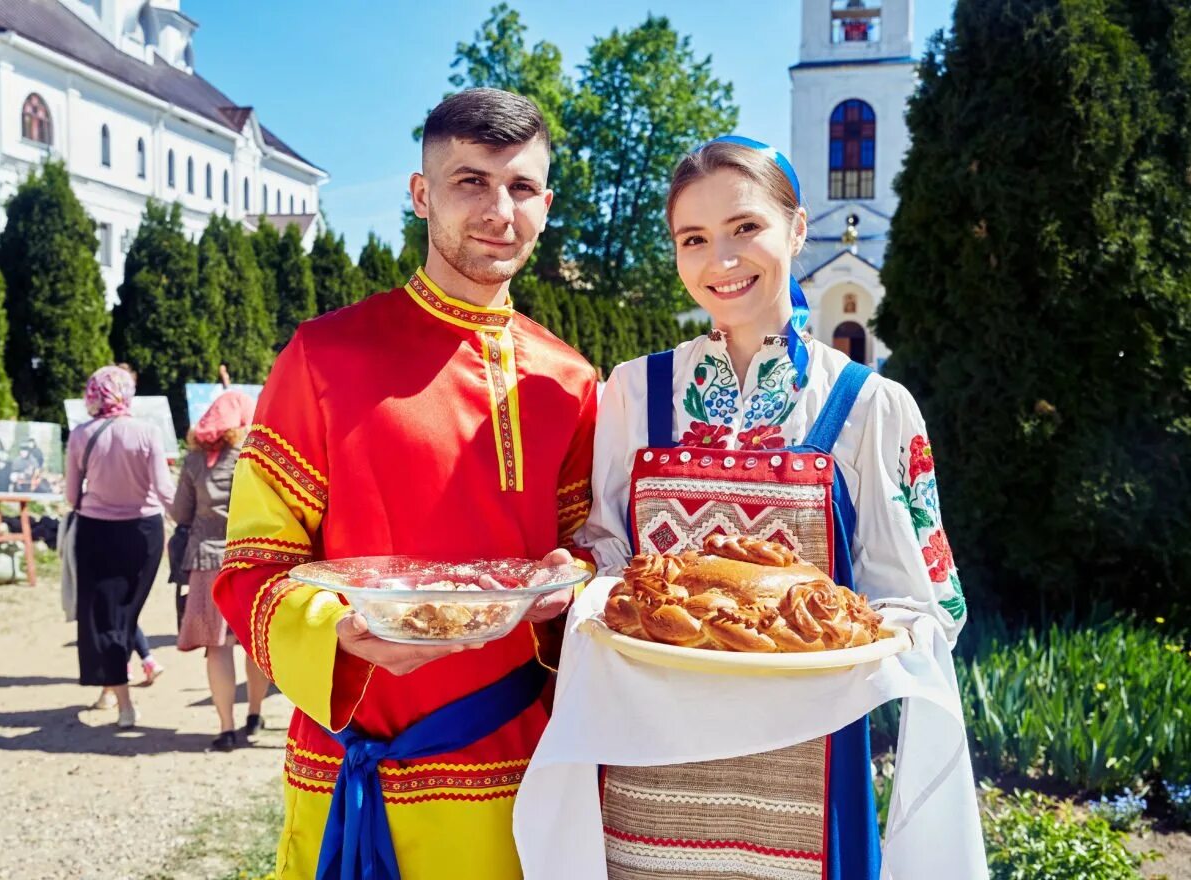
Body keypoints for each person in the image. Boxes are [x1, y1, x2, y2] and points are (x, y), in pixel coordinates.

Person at [212, 87, 598, 878]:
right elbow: (250, 566)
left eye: (521, 187)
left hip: (519, 779)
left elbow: (586, 548)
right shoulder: (324, 358)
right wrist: (337, 638)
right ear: (421, 195)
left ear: (546, 204)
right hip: (356, 772)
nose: (499, 209)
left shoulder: (571, 381)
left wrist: (577, 579)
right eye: (470, 182)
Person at [568, 138, 977, 878]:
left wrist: (860, 645)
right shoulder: (631, 393)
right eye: (694, 239)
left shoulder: (871, 407)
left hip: (806, 780)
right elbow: (604, 554)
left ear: (796, 229)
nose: (720, 258)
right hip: (644, 771)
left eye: (745, 227)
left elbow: (926, 605)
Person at [66, 365, 176, 729]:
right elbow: (164, 490)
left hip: (95, 532)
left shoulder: (81, 435)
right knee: (126, 616)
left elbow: (71, 495)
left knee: (104, 617)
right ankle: (115, 693)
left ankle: (120, 699)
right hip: (143, 535)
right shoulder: (147, 432)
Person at [171, 389, 270, 753]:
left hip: (204, 563)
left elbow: (180, 514)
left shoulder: (194, 460)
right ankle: (255, 715)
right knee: (254, 645)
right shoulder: (252, 456)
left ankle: (226, 727)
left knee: (217, 648)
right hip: (250, 562)